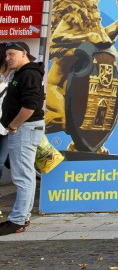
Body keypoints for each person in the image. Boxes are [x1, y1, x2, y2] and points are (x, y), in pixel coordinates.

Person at [0, 43, 43, 235]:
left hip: (24, 130)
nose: (8, 58)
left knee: (22, 176)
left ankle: (17, 220)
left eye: (12, 54)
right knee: (24, 175)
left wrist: (14, 125)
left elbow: (30, 105)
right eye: (6, 55)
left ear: (24, 53)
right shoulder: (21, 72)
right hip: (24, 129)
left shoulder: (29, 74)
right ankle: (22, 217)